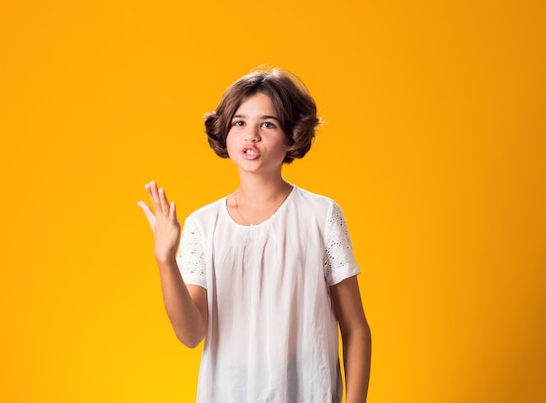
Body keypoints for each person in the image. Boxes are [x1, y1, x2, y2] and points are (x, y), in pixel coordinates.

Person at [138, 66, 371, 403]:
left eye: (267, 124)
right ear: (225, 134)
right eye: (239, 122)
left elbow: (355, 327)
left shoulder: (321, 215)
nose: (251, 135)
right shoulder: (203, 225)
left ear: (292, 136)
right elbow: (191, 335)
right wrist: (165, 259)